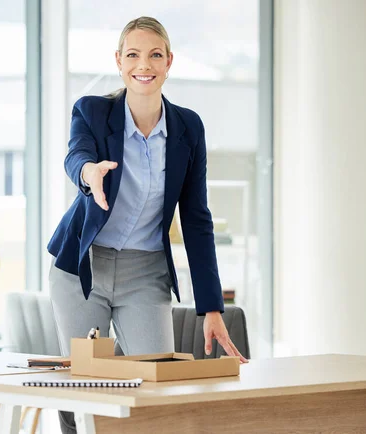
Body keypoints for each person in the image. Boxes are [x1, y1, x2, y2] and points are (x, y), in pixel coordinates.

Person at [47, 16, 248, 364]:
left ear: (169, 62)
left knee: (156, 384)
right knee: (82, 384)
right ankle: (78, 420)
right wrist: (88, 171)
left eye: (155, 55)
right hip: (85, 266)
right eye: (133, 55)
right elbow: (77, 154)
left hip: (146, 271)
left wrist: (212, 307)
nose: (144, 65)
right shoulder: (92, 111)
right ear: (119, 61)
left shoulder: (188, 128)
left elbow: (197, 219)